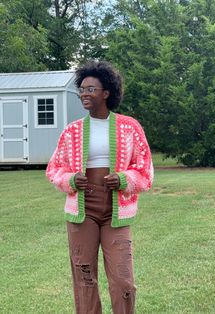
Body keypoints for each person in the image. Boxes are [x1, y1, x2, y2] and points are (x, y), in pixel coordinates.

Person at [46, 60, 154, 314]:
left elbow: (145, 170)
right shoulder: (72, 131)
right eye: (82, 89)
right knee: (84, 277)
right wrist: (71, 180)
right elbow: (54, 169)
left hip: (116, 211)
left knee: (123, 279)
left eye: (90, 89)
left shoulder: (130, 127)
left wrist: (124, 179)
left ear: (106, 93)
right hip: (83, 209)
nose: (84, 93)